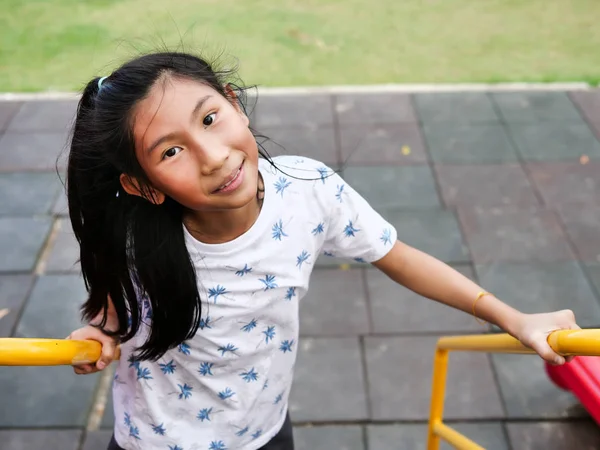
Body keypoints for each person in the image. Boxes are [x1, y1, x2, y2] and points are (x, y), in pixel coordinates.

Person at [66, 51, 580, 450]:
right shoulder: (139, 237)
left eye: (210, 118)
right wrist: (104, 331)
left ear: (234, 102)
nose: (214, 156)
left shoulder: (308, 192)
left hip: (263, 426)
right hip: (160, 439)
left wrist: (512, 317)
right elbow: (119, 296)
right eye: (171, 151)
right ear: (144, 185)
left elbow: (398, 256)